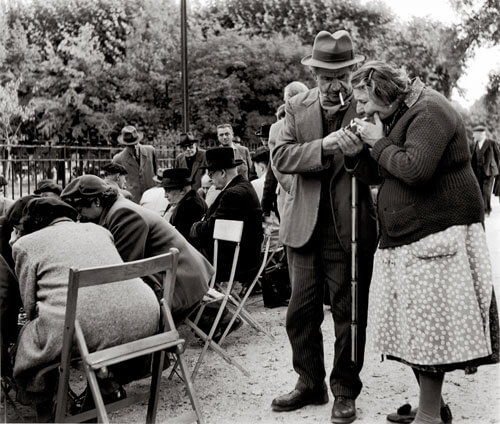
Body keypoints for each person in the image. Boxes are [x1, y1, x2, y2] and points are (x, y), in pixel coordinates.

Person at [342, 60, 498, 424]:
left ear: (382, 91)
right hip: (407, 233)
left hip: (437, 233)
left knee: (429, 328)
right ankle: (434, 406)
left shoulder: (429, 110)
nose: (360, 109)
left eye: (364, 101)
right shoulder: (397, 112)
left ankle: (430, 413)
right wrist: (357, 153)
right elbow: (380, 169)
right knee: (411, 325)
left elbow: (414, 169)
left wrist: (376, 141)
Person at [270, 30, 377, 424]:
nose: (333, 85)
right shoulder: (295, 108)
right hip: (303, 229)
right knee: (299, 313)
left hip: (348, 229)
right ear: (313, 73)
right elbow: (281, 156)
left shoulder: (368, 109)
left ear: (352, 71)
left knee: (349, 316)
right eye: (325, 76)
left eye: (340, 76)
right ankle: (309, 382)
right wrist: (326, 146)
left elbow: (377, 168)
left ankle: (345, 391)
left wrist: (356, 159)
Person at [10, 197, 160, 421]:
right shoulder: (99, 230)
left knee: (32, 342)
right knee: (78, 327)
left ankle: (47, 414)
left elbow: (30, 305)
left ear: (33, 222)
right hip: (146, 317)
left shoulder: (26, 244)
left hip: (84, 327)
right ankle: (99, 395)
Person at [61, 175, 212, 320]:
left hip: (182, 283)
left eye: (81, 211)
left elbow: (123, 268)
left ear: (96, 202)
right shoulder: (115, 210)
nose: (80, 218)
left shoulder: (123, 213)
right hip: (174, 277)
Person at [190, 147, 263, 285]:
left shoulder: (233, 194)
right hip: (243, 257)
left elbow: (211, 228)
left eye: (211, 174)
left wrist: (196, 226)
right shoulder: (242, 186)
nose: (210, 179)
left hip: (236, 263)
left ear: (222, 172)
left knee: (183, 259)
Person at [263, 82, 309, 219]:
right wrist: (294, 189)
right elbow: (277, 165)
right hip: (289, 193)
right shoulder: (277, 128)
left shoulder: (316, 122)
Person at [161, 167, 207, 246]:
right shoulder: (180, 202)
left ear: (182, 190)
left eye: (168, 191)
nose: (165, 196)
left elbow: (182, 239)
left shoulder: (191, 206)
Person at [112, 125, 157, 203]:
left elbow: (156, 174)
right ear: (124, 144)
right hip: (133, 201)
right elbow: (114, 182)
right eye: (130, 145)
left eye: (135, 143)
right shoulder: (118, 159)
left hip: (152, 197)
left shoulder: (150, 151)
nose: (134, 146)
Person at [470, 124, 499, 216]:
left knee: (486, 190)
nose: (473, 136)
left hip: (489, 171)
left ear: (481, 134)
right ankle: (483, 209)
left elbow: (498, 157)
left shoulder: (491, 143)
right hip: (478, 171)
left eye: (475, 134)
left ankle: (487, 210)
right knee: (480, 190)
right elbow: (473, 159)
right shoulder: (475, 144)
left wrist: (497, 169)